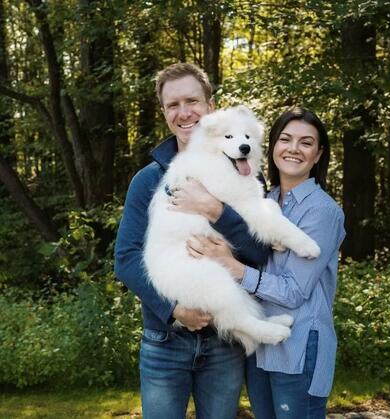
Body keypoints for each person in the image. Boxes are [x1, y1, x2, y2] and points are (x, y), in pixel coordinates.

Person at [114, 63, 269, 419]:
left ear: (210, 106)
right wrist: (173, 312)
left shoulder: (241, 171)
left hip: (224, 343)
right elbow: (125, 259)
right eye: (173, 105)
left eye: (192, 101)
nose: (184, 113)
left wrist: (217, 211)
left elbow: (259, 253)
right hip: (164, 342)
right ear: (165, 112)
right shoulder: (148, 180)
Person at [184, 108, 346, 418]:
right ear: (272, 147)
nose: (294, 149)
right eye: (285, 139)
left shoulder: (322, 212)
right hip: (261, 346)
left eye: (306, 142)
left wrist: (234, 268)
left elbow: (294, 292)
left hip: (299, 347)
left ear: (318, 154)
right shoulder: (265, 200)